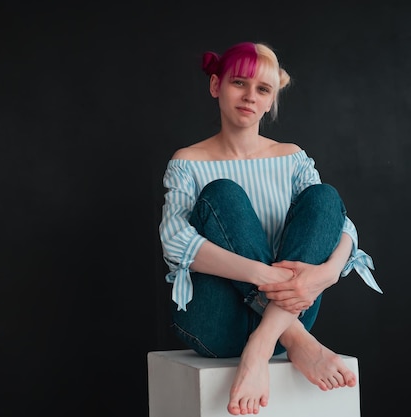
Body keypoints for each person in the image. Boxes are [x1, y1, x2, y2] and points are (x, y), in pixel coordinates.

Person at [158, 41, 383, 416]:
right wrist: (265, 275)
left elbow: (339, 225)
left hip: (288, 311)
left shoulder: (291, 157)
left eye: (262, 89)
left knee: (325, 197)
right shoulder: (188, 162)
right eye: (238, 83)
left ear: (271, 99)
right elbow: (174, 241)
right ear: (216, 86)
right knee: (223, 194)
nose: (249, 96)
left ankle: (262, 346)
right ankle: (295, 340)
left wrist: (325, 275)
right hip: (215, 323)